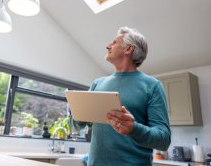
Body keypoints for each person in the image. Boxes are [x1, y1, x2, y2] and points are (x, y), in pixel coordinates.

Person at [72, 26, 171, 166]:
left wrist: (134, 129)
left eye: (114, 42)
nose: (108, 46)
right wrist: (75, 110)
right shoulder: (97, 83)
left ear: (128, 49)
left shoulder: (152, 86)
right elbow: (76, 126)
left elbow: (164, 140)